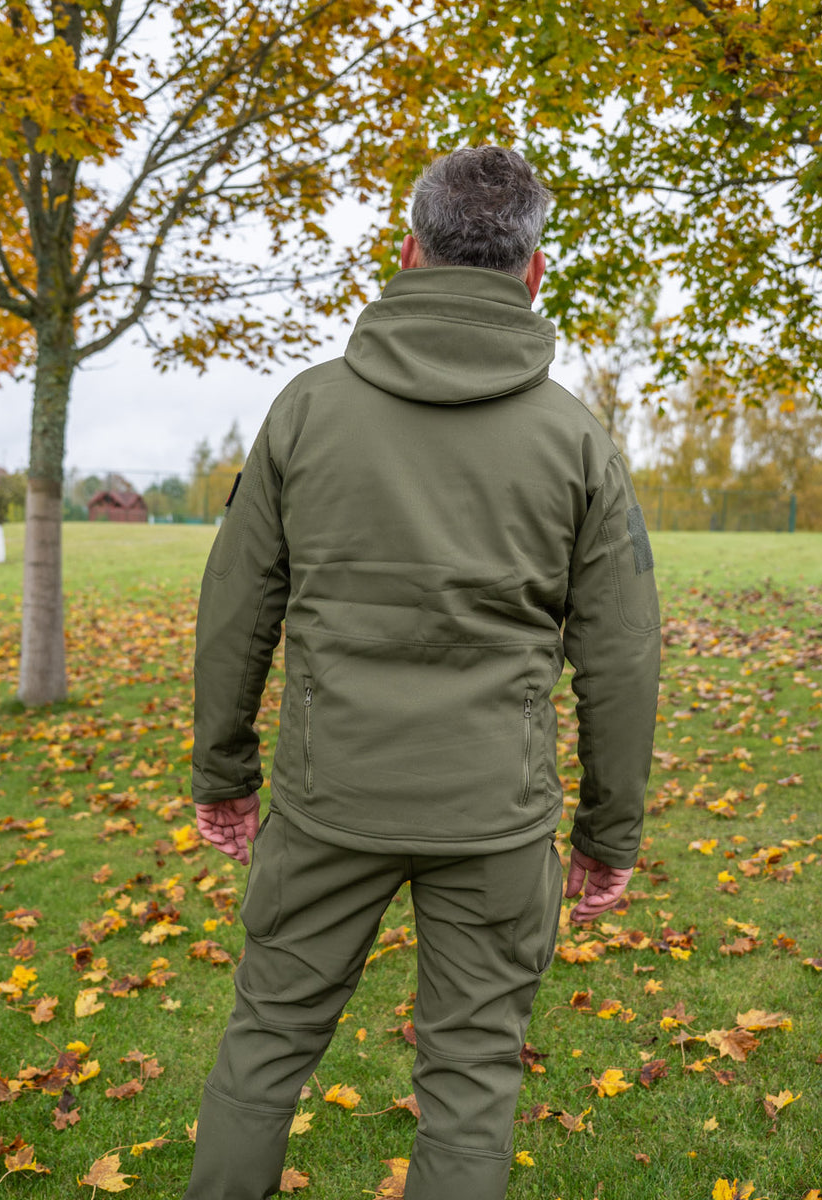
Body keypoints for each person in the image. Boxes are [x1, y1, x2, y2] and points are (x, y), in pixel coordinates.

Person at [185, 145, 660, 1200]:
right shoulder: (578, 440)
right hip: (492, 815)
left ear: (408, 253)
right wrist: (608, 835)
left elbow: (234, 610)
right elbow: (623, 658)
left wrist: (223, 771)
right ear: (534, 272)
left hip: (327, 796)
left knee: (266, 1040)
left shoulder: (305, 410)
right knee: (473, 1072)